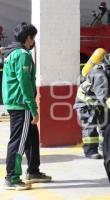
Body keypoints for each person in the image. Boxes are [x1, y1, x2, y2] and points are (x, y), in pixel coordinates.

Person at [2, 22, 51, 190]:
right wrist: (33, 109)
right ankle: (12, 177)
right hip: (21, 104)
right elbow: (25, 84)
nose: (34, 41)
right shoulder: (22, 55)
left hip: (15, 101)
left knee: (31, 137)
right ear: (28, 38)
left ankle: (33, 170)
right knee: (19, 141)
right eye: (33, 38)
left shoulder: (11, 53)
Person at [74, 51, 110, 159]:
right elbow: (103, 96)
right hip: (87, 102)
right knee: (90, 126)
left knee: (107, 124)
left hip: (101, 101)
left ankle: (105, 147)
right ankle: (90, 151)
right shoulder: (99, 75)